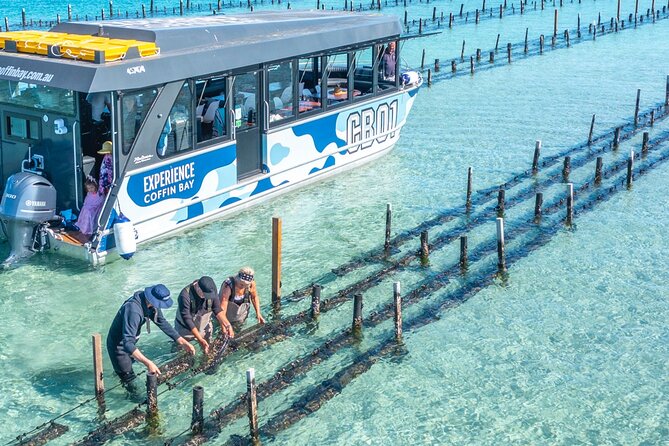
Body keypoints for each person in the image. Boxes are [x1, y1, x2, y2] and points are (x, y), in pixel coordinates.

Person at [107, 284, 196, 385]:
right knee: (129, 379)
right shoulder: (133, 311)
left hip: (130, 341)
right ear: (152, 299)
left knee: (127, 367)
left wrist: (182, 341)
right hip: (120, 346)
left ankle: (118, 373)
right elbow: (127, 344)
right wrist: (148, 363)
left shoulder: (150, 303)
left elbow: (161, 321)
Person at [174, 276, 235, 354]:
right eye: (204, 295)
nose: (206, 297)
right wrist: (200, 339)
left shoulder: (211, 289)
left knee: (208, 348)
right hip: (185, 329)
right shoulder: (184, 295)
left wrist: (228, 325)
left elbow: (217, 309)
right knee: (181, 350)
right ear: (197, 286)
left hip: (204, 326)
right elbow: (187, 319)